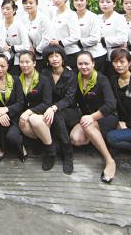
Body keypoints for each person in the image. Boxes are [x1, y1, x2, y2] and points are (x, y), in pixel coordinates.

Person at [69, 51, 118, 183]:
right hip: (87, 117)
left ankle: (109, 160)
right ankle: (95, 138)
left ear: (93, 64)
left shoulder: (102, 79)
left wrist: (92, 117)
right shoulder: (75, 78)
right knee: (76, 139)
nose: (83, 67)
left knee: (87, 126)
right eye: (80, 64)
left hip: (105, 116)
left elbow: (111, 105)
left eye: (87, 63)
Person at [17, 50, 56, 171]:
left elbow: (47, 103)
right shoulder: (17, 79)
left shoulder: (44, 80)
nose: (24, 65)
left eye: (27, 62)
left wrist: (29, 112)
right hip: (26, 117)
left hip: (43, 115)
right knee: (23, 124)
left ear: (34, 63)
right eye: (21, 62)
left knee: (34, 119)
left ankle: (51, 151)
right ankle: (41, 140)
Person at [41, 45, 77, 174]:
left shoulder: (71, 74)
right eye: (51, 56)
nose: (54, 59)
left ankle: (67, 153)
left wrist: (54, 108)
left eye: (57, 55)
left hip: (70, 110)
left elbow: (69, 98)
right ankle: (52, 151)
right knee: (52, 117)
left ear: (63, 58)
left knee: (57, 115)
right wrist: (50, 108)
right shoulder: (44, 73)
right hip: (49, 109)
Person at [0, 53, 26, 162]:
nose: (0, 69)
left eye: (3, 66)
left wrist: (6, 110)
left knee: (12, 136)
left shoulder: (16, 80)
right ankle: (2, 148)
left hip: (15, 115)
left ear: (8, 66)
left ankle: (21, 146)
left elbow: (20, 102)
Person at [44, 0, 81, 68]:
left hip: (71, 53)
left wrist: (60, 43)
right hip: (58, 53)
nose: (56, 1)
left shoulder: (71, 14)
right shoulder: (54, 12)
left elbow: (76, 36)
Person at [73, 0, 106, 72]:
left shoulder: (93, 17)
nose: (79, 3)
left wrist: (78, 42)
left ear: (87, 1)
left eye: (81, 0)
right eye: (76, 0)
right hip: (77, 55)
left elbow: (95, 38)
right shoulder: (70, 16)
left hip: (95, 55)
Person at [99, 0, 128, 80]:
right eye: (102, 2)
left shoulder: (119, 18)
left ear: (114, 4)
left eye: (108, 2)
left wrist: (103, 40)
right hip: (102, 56)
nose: (104, 4)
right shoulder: (97, 18)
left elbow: (123, 38)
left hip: (117, 55)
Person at [0, 0, 29, 75]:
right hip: (4, 60)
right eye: (3, 8)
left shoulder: (19, 25)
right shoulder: (0, 24)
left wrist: (10, 48)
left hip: (18, 60)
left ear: (14, 10)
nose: (5, 11)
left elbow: (26, 46)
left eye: (8, 9)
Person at [21, 0, 49, 69]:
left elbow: (46, 38)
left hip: (43, 54)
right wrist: (30, 49)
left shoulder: (43, 18)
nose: (28, 5)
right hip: (30, 55)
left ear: (36, 3)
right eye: (25, 3)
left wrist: (36, 51)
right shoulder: (23, 19)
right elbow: (25, 36)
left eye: (31, 3)